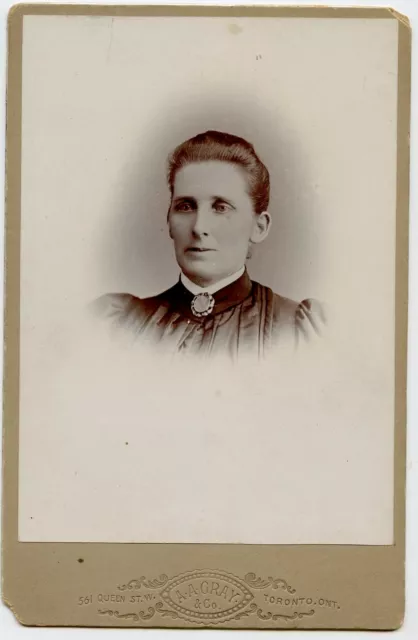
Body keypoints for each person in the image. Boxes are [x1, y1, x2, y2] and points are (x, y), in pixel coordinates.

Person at [92, 130, 325, 360]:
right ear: (169, 221)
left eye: (221, 207)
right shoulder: (116, 325)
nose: (198, 226)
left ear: (259, 227)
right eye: (185, 206)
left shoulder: (298, 331)